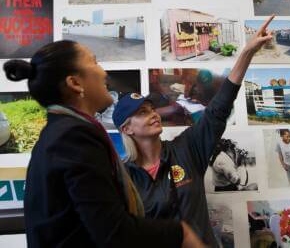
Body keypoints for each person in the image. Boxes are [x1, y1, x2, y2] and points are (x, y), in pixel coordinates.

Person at [3, 40, 205, 247]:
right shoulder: (73, 137)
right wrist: (181, 234)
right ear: (75, 83)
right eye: (95, 62)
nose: (103, 73)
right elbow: (113, 232)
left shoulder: (60, 132)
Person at [112, 16, 275, 247]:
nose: (153, 114)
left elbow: (218, 110)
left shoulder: (186, 148)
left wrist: (247, 53)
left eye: (151, 109)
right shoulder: (123, 176)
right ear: (126, 128)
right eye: (141, 113)